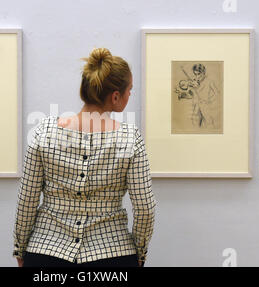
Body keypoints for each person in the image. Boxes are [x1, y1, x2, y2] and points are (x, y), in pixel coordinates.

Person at [12, 48, 156, 267]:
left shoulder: (44, 131)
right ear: (115, 96)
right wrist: (140, 252)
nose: (129, 96)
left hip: (47, 252)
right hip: (111, 254)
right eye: (130, 91)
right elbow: (145, 207)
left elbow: (27, 200)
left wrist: (21, 248)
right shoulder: (130, 138)